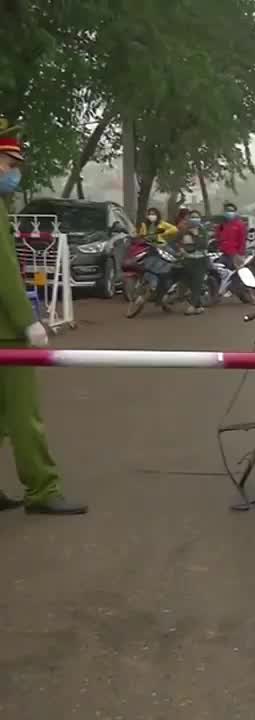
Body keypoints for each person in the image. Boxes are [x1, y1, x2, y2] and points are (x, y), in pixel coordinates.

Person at [0, 120, 87, 515]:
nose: (13, 171)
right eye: (7, 162)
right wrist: (26, 321)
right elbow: (3, 270)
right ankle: (43, 490)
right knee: (24, 416)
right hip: (6, 332)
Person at [175, 210, 210, 316]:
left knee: (197, 283)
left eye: (197, 217)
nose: (195, 219)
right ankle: (198, 306)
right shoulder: (184, 230)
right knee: (187, 283)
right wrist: (180, 249)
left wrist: (195, 236)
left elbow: (203, 245)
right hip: (187, 260)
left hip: (200, 260)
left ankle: (192, 306)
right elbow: (176, 240)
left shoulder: (203, 230)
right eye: (192, 217)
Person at [215, 202, 248, 271]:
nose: (229, 212)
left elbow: (242, 241)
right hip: (223, 254)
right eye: (227, 210)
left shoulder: (240, 225)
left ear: (235, 212)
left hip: (236, 255)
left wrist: (240, 254)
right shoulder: (221, 225)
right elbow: (218, 238)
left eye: (231, 211)